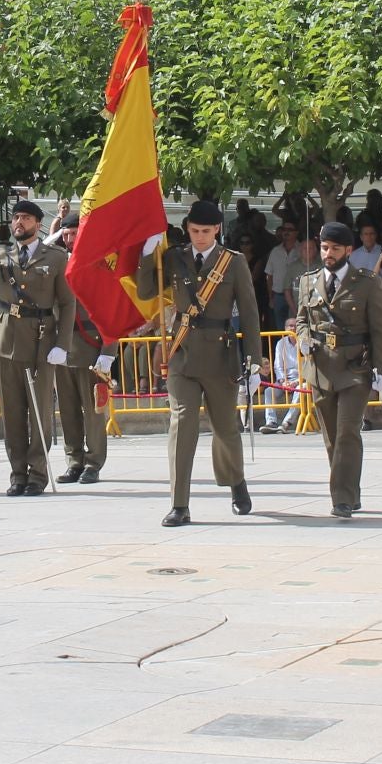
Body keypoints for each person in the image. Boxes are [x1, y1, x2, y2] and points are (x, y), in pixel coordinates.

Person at [136, 199, 263, 526]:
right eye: (194, 231)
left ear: (218, 229)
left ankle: (236, 482)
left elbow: (248, 313)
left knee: (225, 429)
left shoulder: (232, 263)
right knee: (182, 425)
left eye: (206, 231)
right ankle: (180, 503)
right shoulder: (174, 257)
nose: (200, 237)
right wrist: (148, 253)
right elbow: (147, 289)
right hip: (182, 354)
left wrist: (253, 362)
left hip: (220, 356)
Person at [0, 199, 76, 496]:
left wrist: (63, 343)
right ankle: (17, 473)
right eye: (15, 217)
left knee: (40, 409)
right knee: (11, 410)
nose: (18, 223)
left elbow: (67, 302)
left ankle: (37, 474)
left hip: (41, 337)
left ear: (37, 223)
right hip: (5, 336)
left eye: (25, 218)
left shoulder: (56, 257)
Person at [291, 221, 382, 519]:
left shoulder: (367, 282)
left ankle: (341, 499)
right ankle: (350, 491)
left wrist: (381, 369)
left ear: (348, 249)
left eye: (334, 248)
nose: (328, 253)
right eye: (324, 248)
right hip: (320, 368)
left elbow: (380, 329)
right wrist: (304, 339)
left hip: (354, 367)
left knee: (348, 431)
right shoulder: (308, 281)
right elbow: (302, 320)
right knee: (332, 436)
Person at [51, 216, 109, 485]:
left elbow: (111, 311)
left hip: (91, 344)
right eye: (66, 234)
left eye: (74, 233)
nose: (69, 239)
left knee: (94, 410)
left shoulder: (99, 266)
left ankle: (94, 462)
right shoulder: (56, 264)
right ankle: (74, 460)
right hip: (63, 345)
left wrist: (109, 350)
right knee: (68, 408)